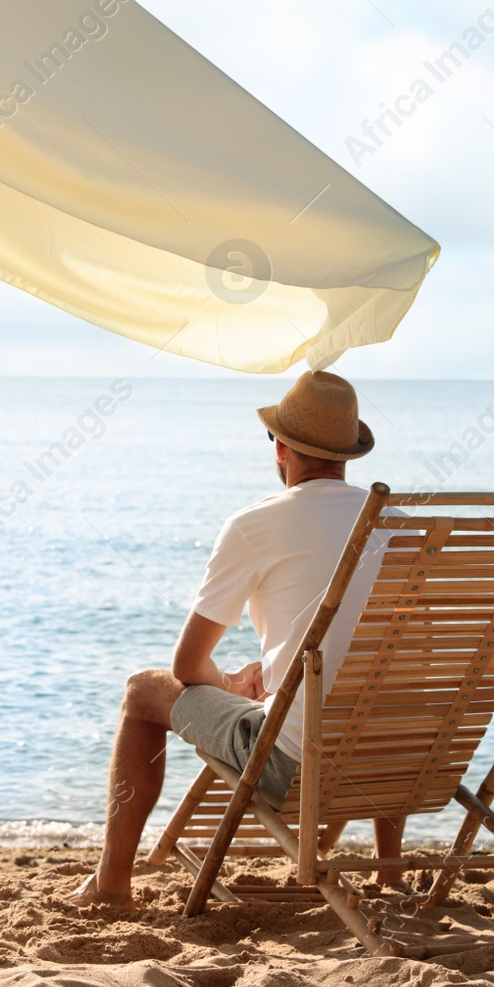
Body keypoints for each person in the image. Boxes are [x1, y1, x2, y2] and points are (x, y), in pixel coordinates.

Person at [74, 370, 405, 911]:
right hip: (399, 758)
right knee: (377, 688)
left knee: (142, 692)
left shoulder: (255, 525)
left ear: (280, 447)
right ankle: (388, 876)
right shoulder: (400, 524)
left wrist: (228, 683)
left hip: (300, 765)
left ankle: (110, 886)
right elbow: (407, 659)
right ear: (347, 454)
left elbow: (186, 664)